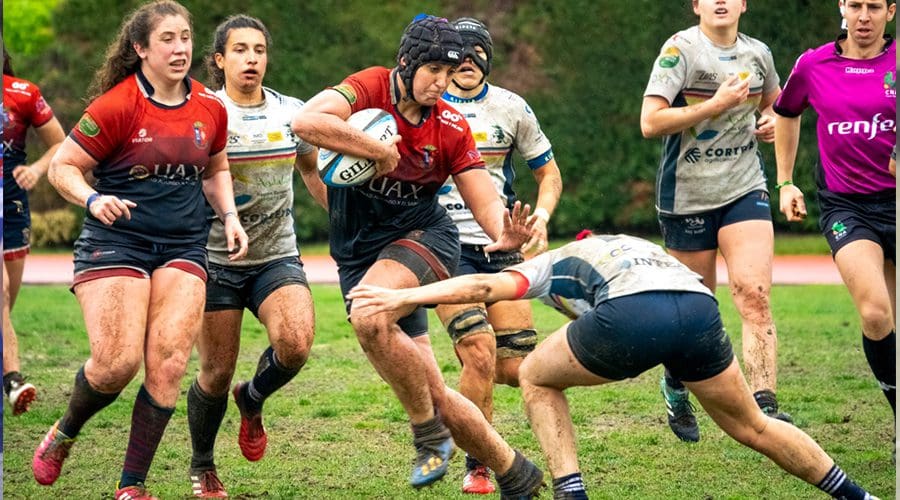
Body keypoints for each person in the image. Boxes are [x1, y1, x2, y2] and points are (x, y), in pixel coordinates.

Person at [348, 231, 881, 500]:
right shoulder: (635, 245)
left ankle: (570, 490)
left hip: (633, 311)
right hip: (698, 309)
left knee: (534, 375)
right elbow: (673, 300)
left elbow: (483, 286)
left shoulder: (554, 262)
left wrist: (406, 298)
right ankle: (858, 494)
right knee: (754, 426)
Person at [291, 14, 544, 497]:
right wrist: (376, 151)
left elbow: (484, 200)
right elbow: (306, 120)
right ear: (405, 62)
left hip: (425, 238)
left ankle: (426, 434)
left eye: (450, 74)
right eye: (433, 71)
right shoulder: (366, 88)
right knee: (432, 387)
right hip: (358, 252)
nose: (442, 84)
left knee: (368, 313)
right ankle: (514, 472)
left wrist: (504, 235)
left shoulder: (449, 126)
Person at [32, 2, 248, 499]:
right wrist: (93, 197)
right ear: (141, 48)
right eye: (167, 39)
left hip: (183, 243)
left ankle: (132, 485)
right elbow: (63, 166)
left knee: (170, 363)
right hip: (116, 242)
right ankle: (65, 430)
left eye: (186, 37)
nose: (180, 49)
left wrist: (231, 217)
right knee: (116, 363)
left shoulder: (211, 107)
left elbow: (215, 170)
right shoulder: (117, 105)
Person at [186, 14, 324, 498]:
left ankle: (255, 396)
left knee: (296, 344)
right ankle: (203, 465)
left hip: (276, 256)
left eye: (259, 50)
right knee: (216, 372)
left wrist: (343, 219)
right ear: (220, 59)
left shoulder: (293, 113)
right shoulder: (203, 110)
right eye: (240, 49)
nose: (252, 58)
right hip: (215, 261)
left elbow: (311, 170)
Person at [639, 0, 789, 443]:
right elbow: (651, 122)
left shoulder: (758, 54)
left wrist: (767, 123)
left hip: (744, 188)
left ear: (743, 4)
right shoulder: (679, 50)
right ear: (697, 5)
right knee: (693, 312)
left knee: (754, 295)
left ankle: (766, 408)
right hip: (686, 197)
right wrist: (715, 105)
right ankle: (675, 385)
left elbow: (777, 108)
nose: (720, 1)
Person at [434, 16, 562, 494]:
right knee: (480, 354)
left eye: (477, 50)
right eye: (458, 51)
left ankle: (439, 406)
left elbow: (549, 175)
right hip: (446, 249)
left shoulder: (512, 107)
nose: (467, 59)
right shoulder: (427, 106)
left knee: (515, 368)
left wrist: (542, 218)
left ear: (489, 56)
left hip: (503, 249)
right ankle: (480, 463)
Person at [773, 0, 895, 432]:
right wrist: (785, 182)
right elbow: (785, 114)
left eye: (874, 7)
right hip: (848, 206)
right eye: (855, 5)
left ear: (891, 12)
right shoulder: (813, 64)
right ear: (842, 8)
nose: (864, 16)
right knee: (876, 313)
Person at [2, 46, 67, 415]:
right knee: (2, 289)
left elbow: (59, 143)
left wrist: (37, 171)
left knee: (8, 299)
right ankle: (12, 379)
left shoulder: (24, 93)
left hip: (11, 204)